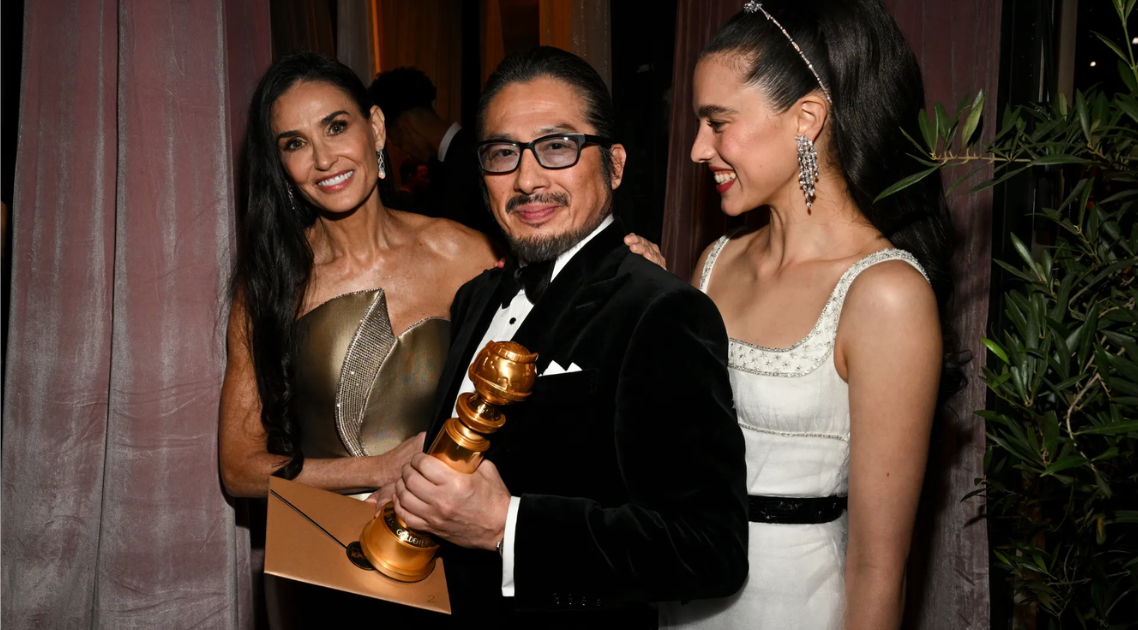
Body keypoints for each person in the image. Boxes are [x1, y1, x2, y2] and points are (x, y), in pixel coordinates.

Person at [370, 47, 750, 629]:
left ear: (615, 165)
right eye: (502, 153)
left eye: (557, 146)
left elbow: (706, 549)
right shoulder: (475, 297)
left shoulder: (662, 311)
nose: (527, 179)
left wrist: (506, 526)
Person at [625, 1, 966, 628]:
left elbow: (877, 571)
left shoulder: (885, 295)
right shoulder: (714, 263)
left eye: (717, 121)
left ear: (806, 118)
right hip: (680, 597)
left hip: (794, 606)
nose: (699, 149)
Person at [217, 51, 495, 627]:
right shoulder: (272, 285)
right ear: (279, 164)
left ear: (374, 127)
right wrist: (379, 467)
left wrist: (619, 262)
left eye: (336, 127)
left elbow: (536, 365)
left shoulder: (464, 253)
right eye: (294, 143)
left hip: (452, 549)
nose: (322, 159)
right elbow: (239, 467)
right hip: (322, 566)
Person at [369, 67, 500, 240]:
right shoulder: (454, 156)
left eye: (399, 143)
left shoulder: (474, 159)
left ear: (403, 124)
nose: (406, 152)